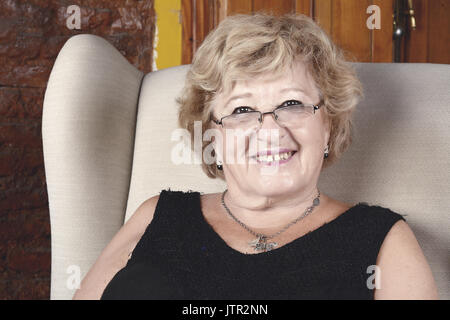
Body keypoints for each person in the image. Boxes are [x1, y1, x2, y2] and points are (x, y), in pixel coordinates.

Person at [73, 13, 438, 300]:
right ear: (212, 134)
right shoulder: (156, 214)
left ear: (328, 125)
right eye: (242, 109)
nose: (270, 130)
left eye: (292, 104)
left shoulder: (381, 239)